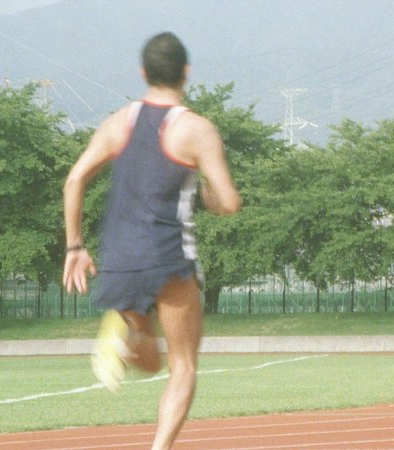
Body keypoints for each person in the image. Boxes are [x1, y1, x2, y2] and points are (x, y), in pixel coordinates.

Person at [62, 32, 241, 450]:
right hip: (167, 257)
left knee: (150, 360)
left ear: (143, 73)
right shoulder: (195, 128)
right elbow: (230, 202)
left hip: (119, 259)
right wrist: (207, 196)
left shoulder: (118, 123)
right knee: (183, 366)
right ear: (186, 72)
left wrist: (75, 247)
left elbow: (74, 180)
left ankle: (126, 337)